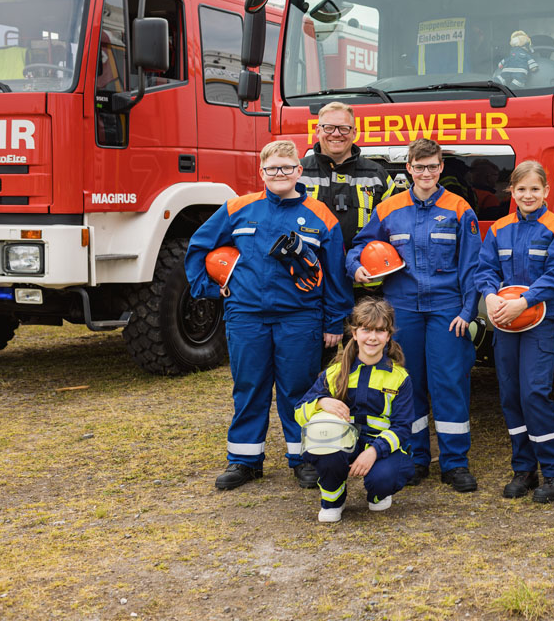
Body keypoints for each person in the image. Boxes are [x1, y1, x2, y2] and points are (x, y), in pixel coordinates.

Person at [185, 140, 351, 491]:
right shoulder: (238, 208)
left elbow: (335, 273)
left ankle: (304, 459)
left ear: (299, 171)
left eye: (287, 168)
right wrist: (210, 290)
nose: (280, 174)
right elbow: (198, 245)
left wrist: (335, 321)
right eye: (273, 169)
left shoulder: (321, 215)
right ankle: (244, 461)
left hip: (301, 317)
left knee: (299, 391)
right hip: (246, 316)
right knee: (249, 387)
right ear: (261, 172)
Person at [348, 138, 482, 493]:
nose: (426, 173)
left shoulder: (458, 208)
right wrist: (356, 267)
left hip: (447, 310)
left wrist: (467, 312)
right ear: (408, 168)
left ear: (441, 168)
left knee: (450, 385)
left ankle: (455, 464)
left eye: (433, 166)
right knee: (409, 386)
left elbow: (472, 267)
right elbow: (361, 245)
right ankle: (416, 457)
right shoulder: (389, 208)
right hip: (402, 310)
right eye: (419, 167)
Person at [474, 160, 554, 503]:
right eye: (521, 189)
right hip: (504, 323)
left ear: (546, 191)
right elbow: (485, 269)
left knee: (535, 393)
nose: (528, 195)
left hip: (538, 325)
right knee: (511, 394)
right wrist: (489, 296)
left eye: (535, 189)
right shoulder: (499, 228)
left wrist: (525, 300)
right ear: (511, 192)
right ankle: (524, 468)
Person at [294, 298, 417, 522]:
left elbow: (402, 427)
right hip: (343, 444)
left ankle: (379, 492)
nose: (372, 337)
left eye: (380, 331)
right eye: (366, 329)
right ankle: (334, 496)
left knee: (383, 479)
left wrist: (373, 452)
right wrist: (322, 402)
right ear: (355, 333)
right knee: (324, 449)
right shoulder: (334, 373)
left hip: (378, 446)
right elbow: (299, 410)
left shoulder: (399, 378)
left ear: (388, 336)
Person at [299, 101, 394, 249]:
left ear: (354, 133)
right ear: (318, 131)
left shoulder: (376, 175)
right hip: (311, 266)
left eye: (344, 128)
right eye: (328, 128)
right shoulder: (298, 173)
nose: (336, 134)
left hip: (363, 266)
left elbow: (395, 224)